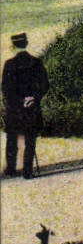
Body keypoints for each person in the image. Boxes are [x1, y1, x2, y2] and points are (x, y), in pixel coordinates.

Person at [3, 33, 48, 179]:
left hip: (15, 109)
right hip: (32, 107)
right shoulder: (36, 62)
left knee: (12, 139)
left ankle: (10, 169)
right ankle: (27, 171)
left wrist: (20, 101)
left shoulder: (9, 64)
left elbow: (6, 89)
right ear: (26, 43)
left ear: (13, 46)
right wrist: (33, 98)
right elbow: (45, 85)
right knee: (30, 139)